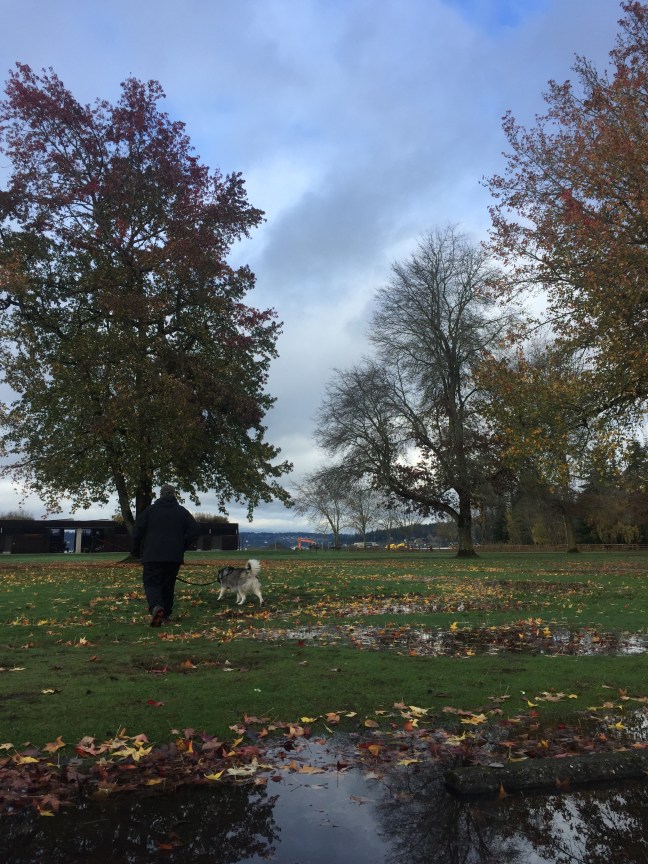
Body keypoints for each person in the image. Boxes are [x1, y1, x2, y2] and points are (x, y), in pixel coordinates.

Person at [131, 484, 201, 626]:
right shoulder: (182, 512)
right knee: (168, 585)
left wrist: (135, 550)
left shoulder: (150, 511)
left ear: (161, 495)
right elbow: (195, 531)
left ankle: (156, 607)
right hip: (173, 556)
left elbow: (137, 530)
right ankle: (166, 615)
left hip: (152, 555)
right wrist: (182, 546)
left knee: (152, 583)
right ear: (174, 495)